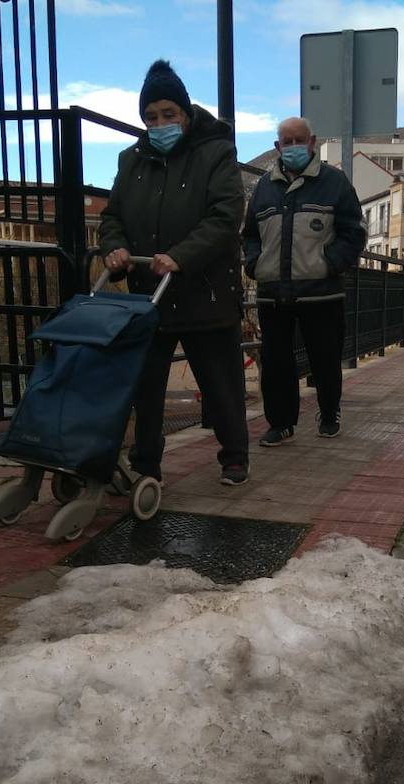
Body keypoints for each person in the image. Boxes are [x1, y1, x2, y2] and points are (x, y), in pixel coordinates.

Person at [98, 59, 250, 486]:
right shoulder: (132, 160)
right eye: (151, 117)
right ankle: (146, 464)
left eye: (168, 114)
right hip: (151, 294)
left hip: (204, 290)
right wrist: (115, 247)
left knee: (220, 383)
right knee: (145, 388)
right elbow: (113, 217)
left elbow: (225, 215)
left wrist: (182, 255)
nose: (160, 123)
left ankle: (234, 456)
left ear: (185, 112)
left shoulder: (216, 152)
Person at [242, 117, 366, 444]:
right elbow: (250, 235)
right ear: (277, 147)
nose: (294, 147)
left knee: (325, 358)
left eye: (300, 140)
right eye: (287, 141)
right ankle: (280, 423)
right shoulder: (264, 188)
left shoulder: (335, 183)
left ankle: (329, 412)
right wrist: (255, 263)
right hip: (273, 293)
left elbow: (353, 233)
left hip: (321, 292)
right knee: (276, 363)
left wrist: (329, 263)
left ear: (312, 143)